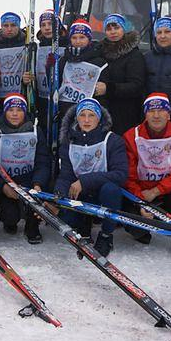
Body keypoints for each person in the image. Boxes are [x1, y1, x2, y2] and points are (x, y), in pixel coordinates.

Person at [123, 93, 171, 264]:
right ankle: (142, 228)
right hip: (141, 194)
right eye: (151, 111)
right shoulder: (131, 136)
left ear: (168, 114)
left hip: (168, 192)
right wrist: (141, 201)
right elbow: (128, 175)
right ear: (145, 114)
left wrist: (157, 190)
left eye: (161, 110)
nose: (156, 115)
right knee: (135, 228)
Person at [55, 98, 128, 257]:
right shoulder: (69, 142)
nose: (86, 120)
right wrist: (59, 195)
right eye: (82, 115)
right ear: (77, 118)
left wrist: (85, 181)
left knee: (112, 189)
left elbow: (121, 174)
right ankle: (83, 224)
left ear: (99, 118)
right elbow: (65, 175)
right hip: (81, 194)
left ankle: (106, 235)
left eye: (91, 115)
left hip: (102, 193)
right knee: (65, 216)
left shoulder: (112, 140)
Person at [0, 93, 50, 244]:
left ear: (25, 112)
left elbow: (43, 160)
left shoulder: (35, 131)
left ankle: (33, 225)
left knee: (38, 199)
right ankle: (9, 219)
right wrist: (2, 187)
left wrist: (38, 183)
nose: (15, 114)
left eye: (19, 110)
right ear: (4, 112)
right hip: (8, 183)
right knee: (10, 216)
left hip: (30, 180)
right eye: (10, 110)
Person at [99, 13, 146, 135]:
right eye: (109, 29)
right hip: (103, 110)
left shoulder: (134, 55)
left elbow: (137, 86)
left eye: (116, 28)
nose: (113, 32)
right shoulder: (100, 52)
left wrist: (108, 89)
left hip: (126, 113)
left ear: (124, 29)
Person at [56, 19, 109, 124]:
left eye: (82, 37)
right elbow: (55, 83)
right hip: (65, 109)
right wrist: (50, 68)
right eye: (74, 37)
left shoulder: (99, 62)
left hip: (88, 113)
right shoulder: (63, 60)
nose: (78, 41)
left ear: (89, 39)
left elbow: (104, 89)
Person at [25, 8, 68, 131]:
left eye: (50, 24)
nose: (47, 28)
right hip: (43, 97)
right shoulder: (37, 47)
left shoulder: (68, 45)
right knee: (44, 127)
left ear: (58, 26)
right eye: (43, 25)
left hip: (62, 98)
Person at [0, 12, 28, 116]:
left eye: (13, 25)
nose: (9, 29)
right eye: (6, 26)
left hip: (20, 93)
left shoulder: (27, 43)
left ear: (19, 26)